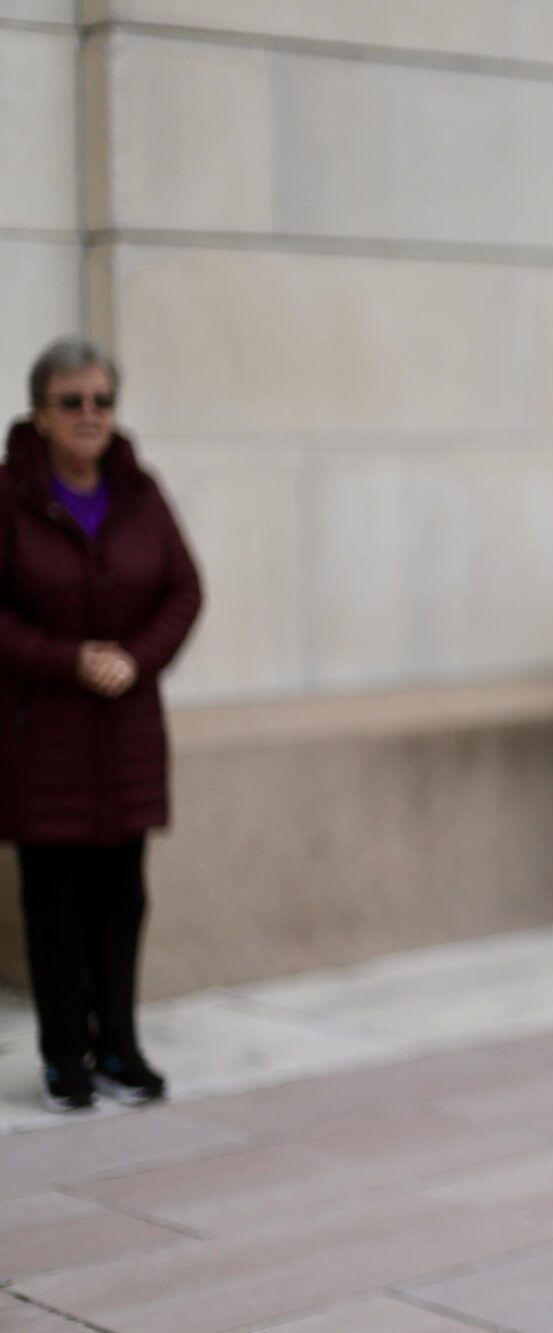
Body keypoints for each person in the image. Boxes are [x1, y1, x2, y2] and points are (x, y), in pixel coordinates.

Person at [0, 337, 203, 1113]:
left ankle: (119, 1044)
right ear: (39, 414)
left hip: (127, 737)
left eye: (102, 401)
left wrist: (135, 658)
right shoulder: (10, 497)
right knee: (54, 906)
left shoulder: (140, 491)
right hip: (42, 738)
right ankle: (64, 1057)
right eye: (71, 401)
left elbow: (185, 590)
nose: (90, 415)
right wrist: (68, 658)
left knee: (122, 899)